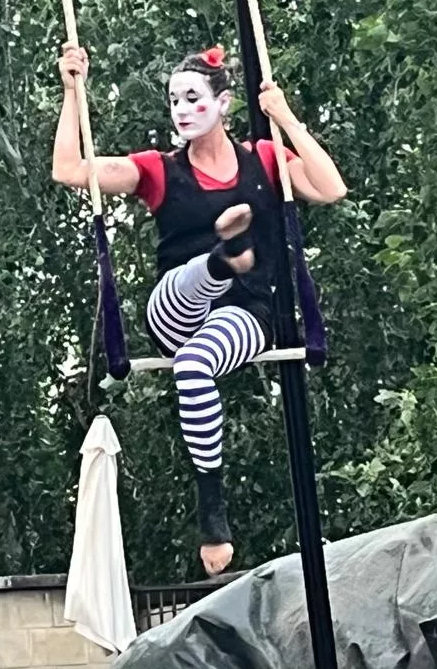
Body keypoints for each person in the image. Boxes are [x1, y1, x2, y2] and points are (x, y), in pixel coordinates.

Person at [50, 41, 347, 577]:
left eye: (193, 99)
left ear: (225, 103)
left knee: (193, 365)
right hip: (176, 310)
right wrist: (74, 92)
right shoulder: (159, 170)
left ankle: (213, 513)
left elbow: (330, 187)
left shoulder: (264, 159)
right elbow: (70, 169)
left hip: (246, 316)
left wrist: (284, 116)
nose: (182, 110)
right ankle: (221, 259)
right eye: (173, 102)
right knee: (187, 293)